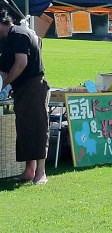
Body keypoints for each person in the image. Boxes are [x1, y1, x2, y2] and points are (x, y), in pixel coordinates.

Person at [0, 10, 50, 185]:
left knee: (37, 127)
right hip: (21, 89)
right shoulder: (6, 40)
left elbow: (21, 64)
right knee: (24, 128)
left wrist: (4, 83)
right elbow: (4, 67)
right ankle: (29, 171)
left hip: (34, 86)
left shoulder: (20, 34)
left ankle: (41, 172)